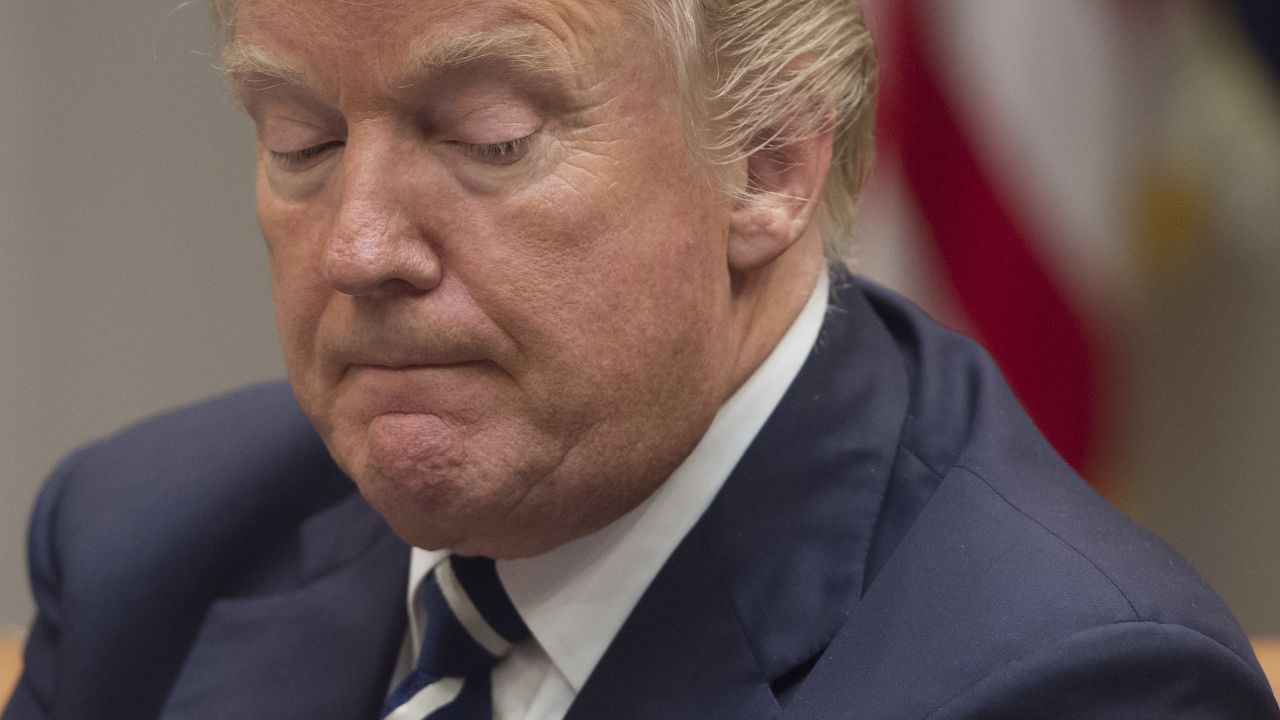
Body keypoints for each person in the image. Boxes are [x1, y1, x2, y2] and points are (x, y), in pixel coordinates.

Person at [4, 0, 1278, 717]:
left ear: (771, 163)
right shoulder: (141, 548)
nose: (359, 245)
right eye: (298, 140)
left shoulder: (1071, 686)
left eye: (489, 137)